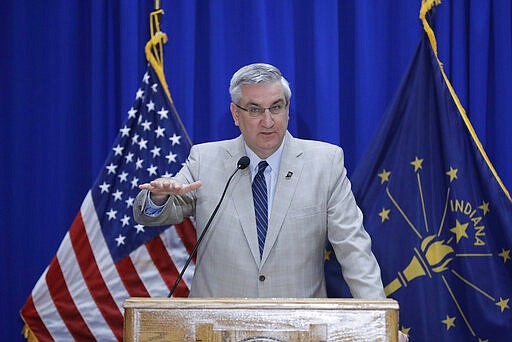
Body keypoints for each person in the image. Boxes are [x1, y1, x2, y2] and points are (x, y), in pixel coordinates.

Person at [133, 63, 386, 300]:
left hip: (297, 326)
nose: (268, 121)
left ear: (287, 108)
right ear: (235, 114)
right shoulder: (205, 160)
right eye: (255, 110)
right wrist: (159, 197)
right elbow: (153, 215)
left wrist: (380, 320)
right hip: (218, 325)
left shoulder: (325, 162)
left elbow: (354, 249)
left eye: (276, 107)